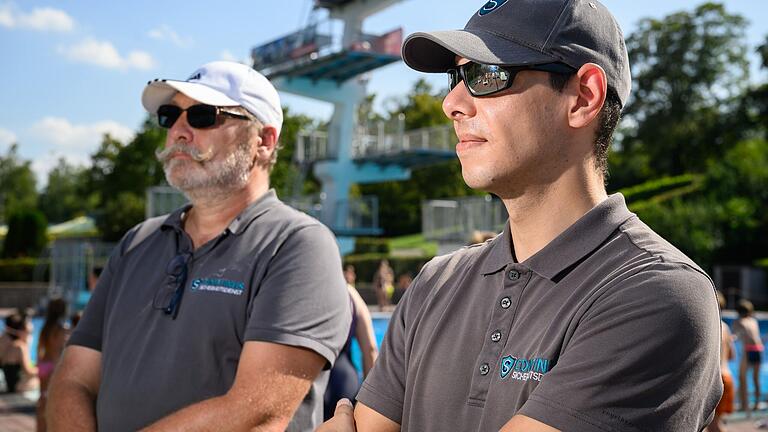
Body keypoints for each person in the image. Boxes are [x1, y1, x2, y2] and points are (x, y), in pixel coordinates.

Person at [320, 0, 722, 430]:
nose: (451, 103)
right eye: (457, 76)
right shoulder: (436, 284)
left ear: (583, 98)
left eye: (485, 75)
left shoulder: (656, 294)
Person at [47, 61, 351, 432]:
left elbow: (253, 413)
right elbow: (73, 379)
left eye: (203, 116)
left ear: (264, 140)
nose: (178, 130)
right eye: (170, 115)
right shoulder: (137, 242)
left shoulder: (298, 246)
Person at [324, 265, 379, 420]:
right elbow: (371, 349)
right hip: (344, 384)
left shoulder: (302, 289)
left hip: (308, 382)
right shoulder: (350, 294)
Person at [36, 298, 70, 432]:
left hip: (43, 365)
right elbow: (60, 350)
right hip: (54, 367)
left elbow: (39, 349)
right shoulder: (60, 329)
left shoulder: (45, 328)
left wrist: (40, 366)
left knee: (42, 402)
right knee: (52, 408)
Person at [708, 291, 736, 432]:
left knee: (713, 426)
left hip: (716, 379)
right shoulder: (726, 327)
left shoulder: (711, 325)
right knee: (715, 424)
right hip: (728, 377)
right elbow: (732, 355)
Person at [733, 299, 763, 415]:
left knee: (742, 378)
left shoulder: (738, 321)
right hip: (759, 349)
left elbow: (735, 335)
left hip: (748, 350)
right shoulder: (753, 321)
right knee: (756, 379)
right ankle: (756, 404)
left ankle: (744, 405)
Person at [0, 313, 37, 393]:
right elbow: (29, 371)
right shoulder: (20, 347)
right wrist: (47, 368)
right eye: (30, 332)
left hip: (11, 385)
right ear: (21, 331)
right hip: (18, 386)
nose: (30, 336)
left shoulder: (8, 343)